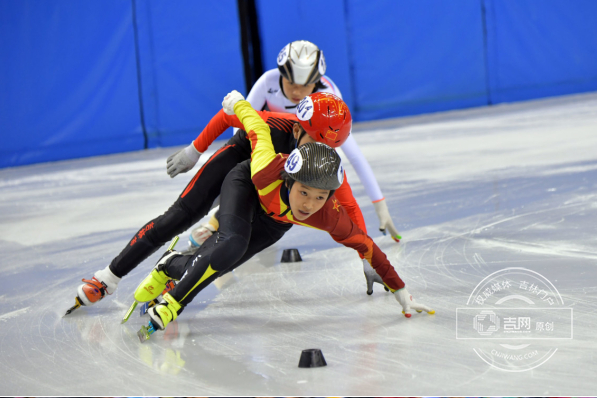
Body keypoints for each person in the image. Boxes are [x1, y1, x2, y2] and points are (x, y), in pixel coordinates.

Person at [133, 91, 433, 334]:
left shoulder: (328, 210)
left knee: (224, 262)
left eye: (320, 197)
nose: (309, 205)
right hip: (249, 182)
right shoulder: (266, 162)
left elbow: (359, 226)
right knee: (228, 244)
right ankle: (173, 300)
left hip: (275, 218)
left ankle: (173, 265)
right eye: (304, 193)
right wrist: (206, 137)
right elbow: (252, 124)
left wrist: (400, 291)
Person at [73, 91, 383, 312]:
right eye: (316, 143)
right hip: (242, 161)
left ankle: (176, 267)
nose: (321, 154)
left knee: (226, 257)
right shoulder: (276, 124)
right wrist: (195, 150)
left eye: (331, 148)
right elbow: (228, 113)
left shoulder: (323, 161)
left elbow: (349, 203)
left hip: (263, 193)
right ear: (299, 128)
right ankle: (108, 278)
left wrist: (366, 256)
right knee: (180, 217)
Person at [189, 39, 400, 247]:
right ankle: (217, 221)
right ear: (281, 75)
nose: (297, 93)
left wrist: (379, 204)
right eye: (290, 83)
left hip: (304, 151)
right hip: (272, 139)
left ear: (317, 81)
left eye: (306, 85)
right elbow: (240, 124)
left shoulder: (329, 98)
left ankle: (234, 220)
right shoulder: (268, 81)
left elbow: (353, 154)